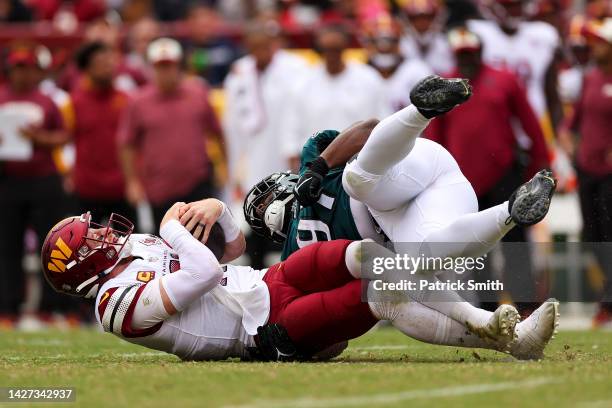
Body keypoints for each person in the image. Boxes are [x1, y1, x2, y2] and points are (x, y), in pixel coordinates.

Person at [40, 199, 559, 361]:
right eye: (91, 239)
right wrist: (175, 228)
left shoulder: (129, 254)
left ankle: (492, 323)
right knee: (381, 297)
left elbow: (233, 249)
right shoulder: (116, 304)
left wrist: (218, 209)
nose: (105, 234)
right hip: (266, 334)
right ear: (83, 264)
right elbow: (199, 274)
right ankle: (505, 337)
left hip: (267, 282)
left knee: (368, 255)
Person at [245, 76, 556, 328]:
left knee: (356, 183)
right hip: (429, 203)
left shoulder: (310, 165)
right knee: (420, 259)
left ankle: (422, 110)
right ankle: (512, 210)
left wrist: (319, 167)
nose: (265, 215)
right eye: (257, 218)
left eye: (261, 205)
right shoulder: (292, 259)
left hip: (404, 170)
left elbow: (368, 128)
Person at [423, 29, 550, 313]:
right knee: (477, 247)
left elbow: (529, 121)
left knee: (515, 243)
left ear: (481, 52)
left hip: (504, 172)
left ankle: (526, 306)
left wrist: (540, 160)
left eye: (471, 53)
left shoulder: (503, 79)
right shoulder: (445, 86)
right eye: (462, 55)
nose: (467, 60)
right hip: (463, 180)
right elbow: (435, 135)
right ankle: (489, 309)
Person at [223, 20, 311, 268]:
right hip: (252, 152)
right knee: (254, 209)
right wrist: (235, 160)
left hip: (286, 151)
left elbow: (301, 112)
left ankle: (292, 264)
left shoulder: (297, 67)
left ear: (275, 43)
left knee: (288, 208)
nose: (259, 50)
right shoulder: (240, 71)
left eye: (264, 44)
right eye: (254, 45)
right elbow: (231, 120)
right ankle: (257, 268)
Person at [118, 37, 226, 230]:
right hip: (159, 187)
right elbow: (126, 144)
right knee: (166, 246)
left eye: (170, 66)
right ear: (151, 68)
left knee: (206, 241)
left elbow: (217, 132)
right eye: (160, 66)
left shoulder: (198, 93)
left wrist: (223, 167)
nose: (165, 72)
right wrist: (132, 182)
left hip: (198, 182)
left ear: (179, 66)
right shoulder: (138, 102)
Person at [0, 43, 70, 324]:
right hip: (8, 179)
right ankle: (8, 307)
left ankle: (50, 306)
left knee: (50, 246)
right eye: (17, 67)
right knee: (8, 245)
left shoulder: (47, 101)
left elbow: (63, 136)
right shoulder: (2, 97)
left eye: (27, 67)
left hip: (43, 179)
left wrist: (38, 138)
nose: (22, 74)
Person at [282, 24, 388, 170]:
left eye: (336, 49)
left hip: (359, 164)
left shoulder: (369, 78)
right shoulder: (303, 82)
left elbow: (383, 121)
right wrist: (294, 167)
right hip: (314, 167)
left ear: (345, 48)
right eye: (326, 50)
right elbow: (291, 128)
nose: (331, 55)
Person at [564, 18, 612, 327]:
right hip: (588, 170)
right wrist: (571, 146)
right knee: (592, 236)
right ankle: (607, 298)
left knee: (610, 235)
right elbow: (572, 122)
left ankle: (608, 302)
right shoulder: (592, 78)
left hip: (611, 173)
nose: (593, 47)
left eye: (599, 42)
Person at [70, 41, 135, 224]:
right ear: (87, 69)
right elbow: (65, 139)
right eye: (101, 63)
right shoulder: (74, 102)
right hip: (87, 189)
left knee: (130, 247)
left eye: (110, 61)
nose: (108, 67)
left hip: (122, 189)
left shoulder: (126, 100)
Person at [363, 14, 433, 111]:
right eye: (377, 41)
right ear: (369, 44)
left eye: (391, 41)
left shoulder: (417, 70)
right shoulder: (360, 74)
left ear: (400, 42)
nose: (384, 47)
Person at [399, 0, 455, 75]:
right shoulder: (401, 46)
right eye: (416, 18)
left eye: (427, 18)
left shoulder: (446, 43)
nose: (422, 22)